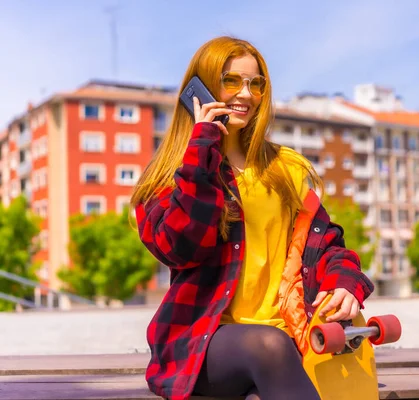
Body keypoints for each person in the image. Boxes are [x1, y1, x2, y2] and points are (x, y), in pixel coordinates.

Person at [130, 36, 374, 400]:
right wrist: (203, 149)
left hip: (290, 338)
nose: (245, 94)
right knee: (269, 345)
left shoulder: (285, 169)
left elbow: (326, 245)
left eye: (255, 84)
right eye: (231, 81)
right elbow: (180, 248)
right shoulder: (172, 174)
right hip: (204, 345)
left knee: (278, 349)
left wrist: (343, 282)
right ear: (202, 89)